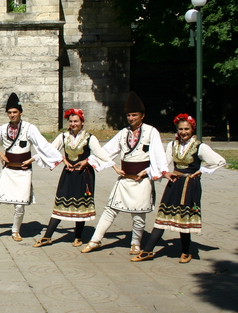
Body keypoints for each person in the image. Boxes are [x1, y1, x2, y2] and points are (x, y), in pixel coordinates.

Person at [81, 91, 169, 255]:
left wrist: (148, 171)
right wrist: (107, 165)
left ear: (142, 116)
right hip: (124, 180)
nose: (131, 118)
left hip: (142, 181)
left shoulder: (151, 132)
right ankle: (95, 240)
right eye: (129, 115)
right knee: (110, 210)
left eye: (134, 115)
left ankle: (135, 243)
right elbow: (106, 151)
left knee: (138, 215)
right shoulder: (123, 133)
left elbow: (158, 157)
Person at [0, 93, 63, 243]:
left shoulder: (30, 128)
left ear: (20, 112)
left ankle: (15, 231)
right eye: (10, 113)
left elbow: (43, 146)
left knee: (19, 204)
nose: (12, 115)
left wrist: (34, 158)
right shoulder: (2, 129)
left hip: (24, 171)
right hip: (8, 170)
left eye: (15, 112)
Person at [132, 113, 225, 263]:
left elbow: (219, 161)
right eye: (181, 129)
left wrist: (202, 170)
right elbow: (163, 163)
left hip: (190, 184)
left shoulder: (200, 147)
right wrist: (147, 171)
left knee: (184, 219)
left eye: (186, 129)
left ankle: (186, 251)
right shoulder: (172, 145)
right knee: (162, 217)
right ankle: (148, 251)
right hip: (174, 183)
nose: (183, 132)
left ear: (192, 129)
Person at [33, 109, 114, 248]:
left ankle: (78, 236)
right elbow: (51, 150)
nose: (73, 124)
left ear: (82, 122)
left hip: (84, 175)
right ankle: (47, 236)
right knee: (60, 202)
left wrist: (90, 162)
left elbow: (100, 154)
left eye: (76, 121)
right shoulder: (63, 136)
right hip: (68, 174)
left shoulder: (90, 137)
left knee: (80, 205)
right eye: (70, 121)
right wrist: (63, 160)